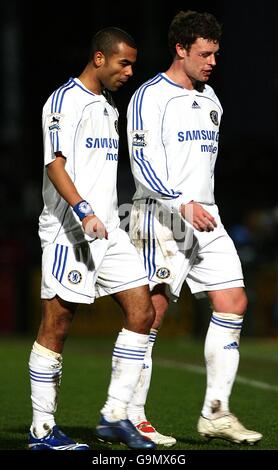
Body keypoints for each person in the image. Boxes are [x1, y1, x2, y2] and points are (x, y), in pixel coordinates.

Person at [126, 10, 263, 445]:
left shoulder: (211, 100)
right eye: (204, 54)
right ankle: (130, 417)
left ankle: (215, 413)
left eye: (216, 54)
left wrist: (199, 205)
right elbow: (141, 162)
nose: (212, 62)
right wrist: (178, 203)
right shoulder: (150, 96)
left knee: (234, 300)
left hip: (206, 214)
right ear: (180, 49)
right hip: (162, 216)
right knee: (151, 313)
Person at [28, 27, 156, 451]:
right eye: (124, 63)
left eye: (133, 64)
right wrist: (83, 211)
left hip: (109, 229)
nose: (130, 72)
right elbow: (55, 164)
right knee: (58, 323)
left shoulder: (108, 105)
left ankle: (114, 416)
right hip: (71, 229)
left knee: (142, 312)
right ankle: (43, 431)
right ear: (99, 59)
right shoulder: (64, 100)